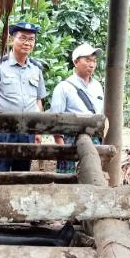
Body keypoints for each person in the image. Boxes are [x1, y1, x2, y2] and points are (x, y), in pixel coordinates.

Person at [0, 21, 47, 172]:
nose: (27, 43)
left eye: (31, 39)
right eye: (22, 38)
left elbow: (38, 101)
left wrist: (38, 130)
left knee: (22, 173)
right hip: (3, 129)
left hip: (28, 130)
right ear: (11, 40)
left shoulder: (36, 69)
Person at [49, 43, 105, 174]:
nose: (92, 64)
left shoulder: (97, 86)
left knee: (92, 175)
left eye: (94, 61)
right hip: (70, 140)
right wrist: (62, 147)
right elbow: (56, 120)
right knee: (67, 178)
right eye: (87, 60)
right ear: (75, 62)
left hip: (93, 139)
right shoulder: (63, 87)